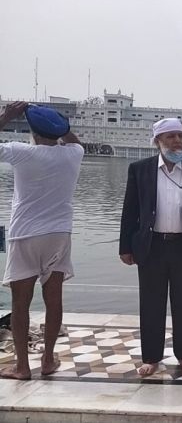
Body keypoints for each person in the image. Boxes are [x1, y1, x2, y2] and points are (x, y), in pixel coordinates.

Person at [119, 118, 182, 376]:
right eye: (170, 137)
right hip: (152, 246)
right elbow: (130, 211)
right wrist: (125, 247)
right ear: (158, 141)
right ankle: (151, 357)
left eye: (180, 136)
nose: (177, 141)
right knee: (151, 303)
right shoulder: (140, 169)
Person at [0, 102, 84, 379]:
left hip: (25, 233)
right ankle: (47, 359)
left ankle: (22, 366)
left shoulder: (21, 152)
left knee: (20, 303)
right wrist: (60, 123)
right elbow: (73, 140)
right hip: (59, 234)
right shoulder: (73, 154)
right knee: (54, 299)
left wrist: (7, 116)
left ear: (33, 132)